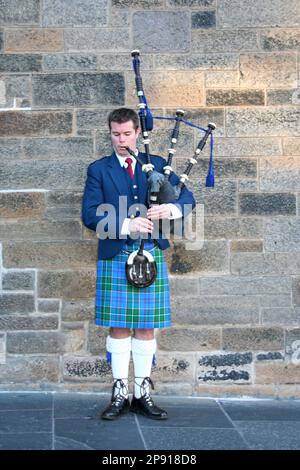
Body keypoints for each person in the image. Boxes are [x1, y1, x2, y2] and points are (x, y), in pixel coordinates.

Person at [82, 107, 195, 420]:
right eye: (116, 134)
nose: (122, 140)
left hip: (151, 253)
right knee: (119, 327)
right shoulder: (99, 169)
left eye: (127, 133)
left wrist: (169, 210)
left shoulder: (156, 164)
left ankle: (142, 394)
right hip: (116, 253)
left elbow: (188, 199)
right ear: (110, 133)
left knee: (146, 328)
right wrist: (126, 225)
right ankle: (120, 394)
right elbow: (90, 214)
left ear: (137, 132)